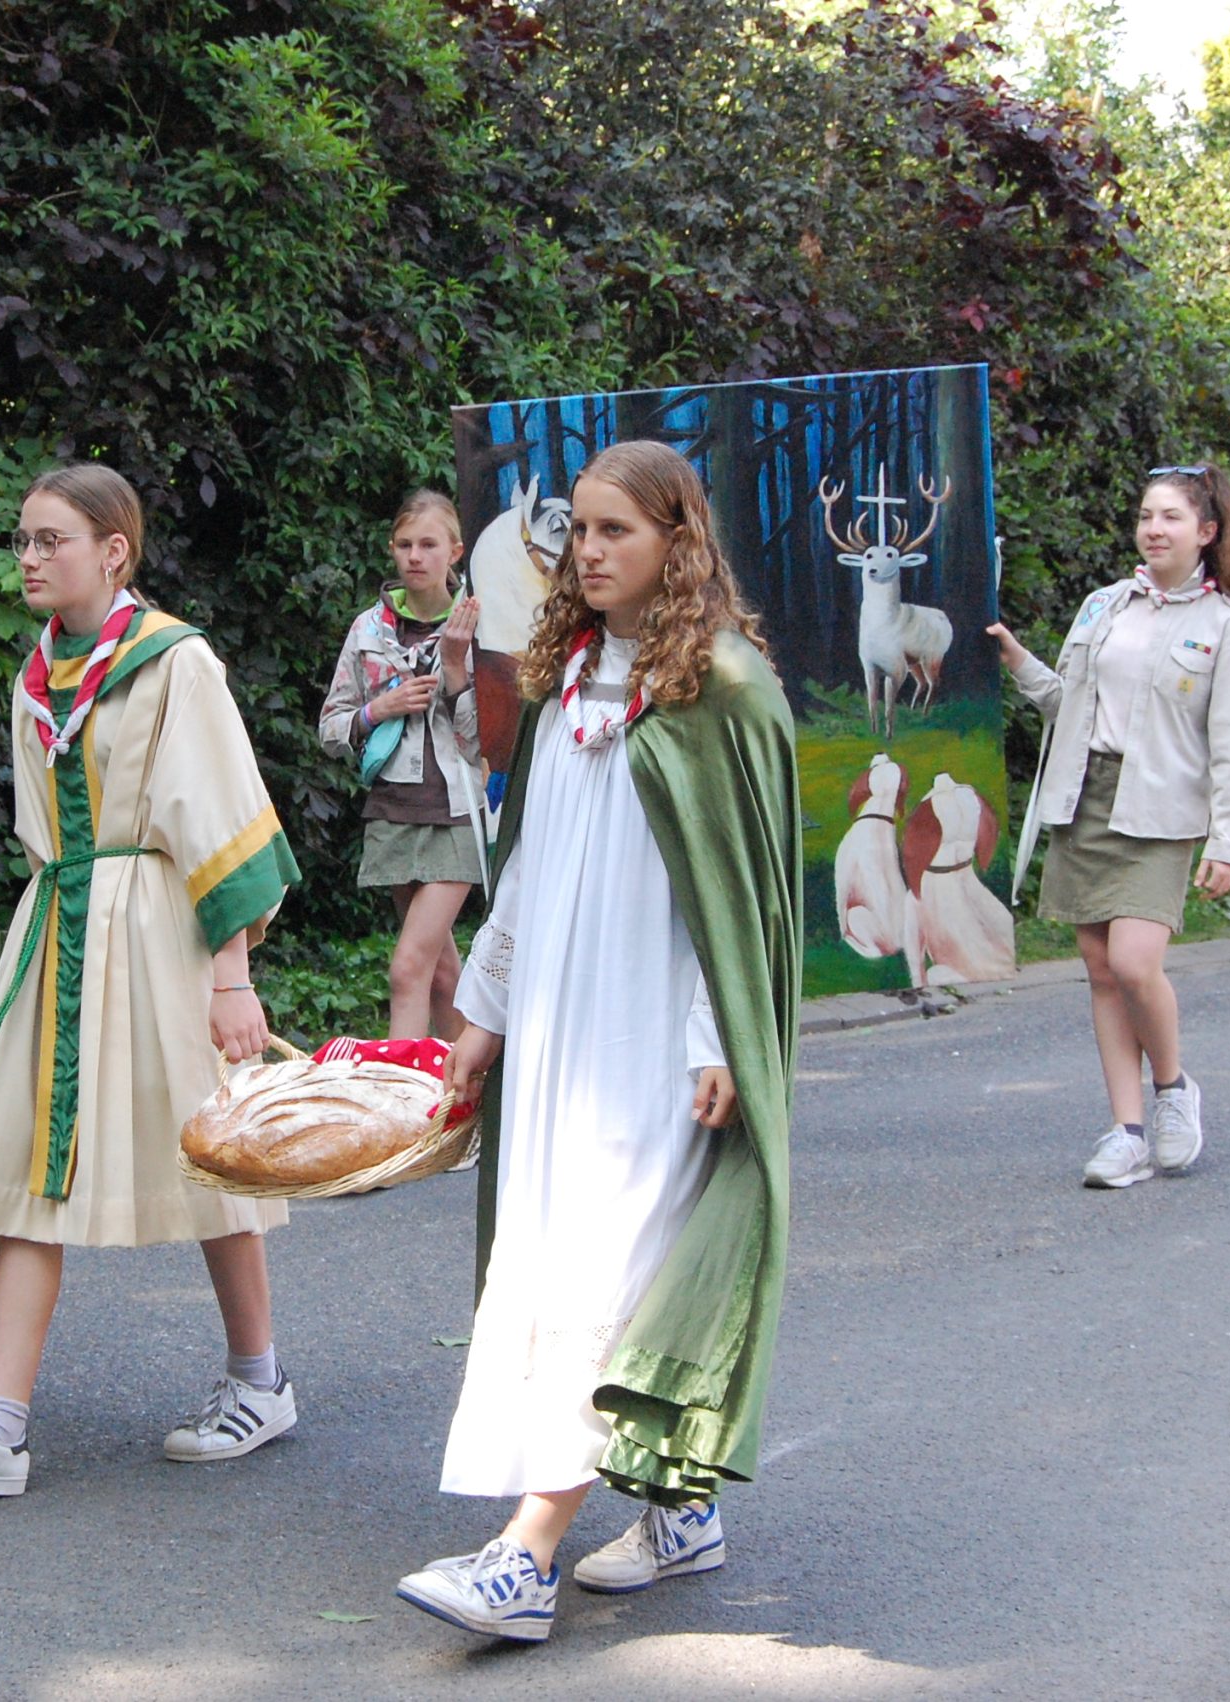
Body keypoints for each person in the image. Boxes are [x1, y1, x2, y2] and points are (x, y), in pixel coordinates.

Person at [394, 441, 803, 1643]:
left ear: (679, 541)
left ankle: (523, 1557)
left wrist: (716, 1034)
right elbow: (525, 874)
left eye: (617, 531)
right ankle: (679, 1511)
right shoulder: (569, 670)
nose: (590, 550)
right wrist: (482, 1018)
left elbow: (739, 902)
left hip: (659, 1038)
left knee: (607, 1273)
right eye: (580, 530)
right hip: (565, 1035)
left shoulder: (724, 686)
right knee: (557, 1261)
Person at [0, 463, 304, 1498]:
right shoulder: (38, 671)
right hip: (60, 926)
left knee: (212, 1157)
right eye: (22, 540)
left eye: (50, 540)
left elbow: (220, 817)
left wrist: (231, 975)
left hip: (159, 932)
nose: (27, 558)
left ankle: (260, 1380)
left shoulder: (172, 663)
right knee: (31, 1169)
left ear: (113, 551)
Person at [985, 462, 1230, 1189]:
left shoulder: (1225, 629)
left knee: (1138, 963)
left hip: (1163, 810)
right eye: (1146, 516)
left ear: (1206, 533)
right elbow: (1067, 705)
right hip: (1087, 800)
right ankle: (1126, 1131)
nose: (1153, 529)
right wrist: (1017, 661)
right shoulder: (1104, 605)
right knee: (1103, 974)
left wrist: (1226, 841)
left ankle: (1173, 1091)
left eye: (1171, 517)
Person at [317, 490, 488, 1038]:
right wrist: (378, 709)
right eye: (405, 544)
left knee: (407, 968)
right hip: (393, 811)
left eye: (429, 544)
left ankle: (404, 1113)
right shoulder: (369, 630)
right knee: (440, 973)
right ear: (392, 550)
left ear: (455, 553)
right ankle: (469, 1106)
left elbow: (485, 740)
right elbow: (331, 729)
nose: (415, 556)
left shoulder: (480, 624)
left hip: (457, 812)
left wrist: (457, 669)